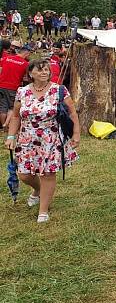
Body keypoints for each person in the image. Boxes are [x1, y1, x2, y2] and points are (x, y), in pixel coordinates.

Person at [5, 58, 80, 223]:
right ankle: (37, 190)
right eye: (40, 69)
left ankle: (43, 211)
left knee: (47, 173)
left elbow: (73, 113)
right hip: (27, 139)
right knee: (24, 174)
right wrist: (11, 136)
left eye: (46, 69)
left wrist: (76, 134)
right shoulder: (22, 92)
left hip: (51, 138)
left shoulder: (59, 90)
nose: (44, 72)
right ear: (31, 73)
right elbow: (16, 116)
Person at [0, 41, 31, 128]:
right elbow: (26, 77)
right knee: (11, 107)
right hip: (13, 87)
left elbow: (0, 70)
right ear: (26, 53)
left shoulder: (6, 59)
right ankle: (6, 124)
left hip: (1, 85)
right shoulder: (25, 64)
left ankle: (3, 125)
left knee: (2, 107)